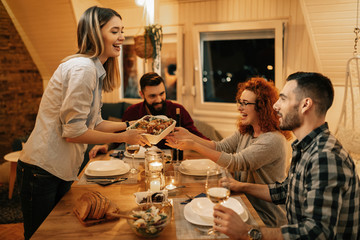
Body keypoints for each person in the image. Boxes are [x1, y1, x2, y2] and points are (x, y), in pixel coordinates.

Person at [16, 6, 149, 239]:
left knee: (60, 233)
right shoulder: (83, 69)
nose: (122, 37)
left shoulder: (93, 69)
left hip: (60, 170)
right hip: (42, 170)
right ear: (96, 34)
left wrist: (132, 125)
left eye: (122, 31)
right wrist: (123, 137)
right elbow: (74, 132)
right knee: (41, 235)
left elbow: (95, 123)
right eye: (115, 31)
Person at [213, 72, 360, 239]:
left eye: (283, 99)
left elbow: (317, 233)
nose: (275, 106)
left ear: (305, 105)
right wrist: (241, 186)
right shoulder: (306, 147)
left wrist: (247, 232)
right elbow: (284, 191)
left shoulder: (325, 156)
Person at [166, 77, 292, 227]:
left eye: (245, 103)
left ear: (261, 107)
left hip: (265, 216)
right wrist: (189, 135)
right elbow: (220, 147)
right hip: (243, 203)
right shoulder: (247, 131)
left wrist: (193, 145)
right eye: (240, 102)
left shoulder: (273, 140)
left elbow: (235, 162)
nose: (240, 107)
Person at [89, 72, 209, 158]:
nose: (159, 99)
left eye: (162, 93)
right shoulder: (132, 112)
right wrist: (105, 146)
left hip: (173, 160)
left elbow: (196, 136)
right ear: (142, 94)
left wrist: (216, 148)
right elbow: (119, 137)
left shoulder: (178, 110)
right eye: (152, 96)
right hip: (142, 162)